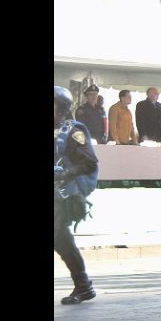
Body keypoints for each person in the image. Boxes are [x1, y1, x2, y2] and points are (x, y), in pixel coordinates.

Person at [54, 86, 98, 305]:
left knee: (58, 235)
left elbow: (89, 162)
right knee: (60, 239)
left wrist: (66, 173)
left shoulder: (73, 130)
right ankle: (83, 285)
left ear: (61, 108)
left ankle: (83, 285)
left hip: (63, 195)